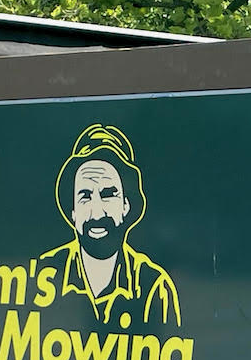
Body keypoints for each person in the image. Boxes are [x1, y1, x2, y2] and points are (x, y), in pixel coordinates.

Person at [37, 124, 181, 327]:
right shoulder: (46, 272)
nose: (97, 213)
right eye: (85, 196)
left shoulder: (153, 285)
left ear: (126, 206)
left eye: (107, 195)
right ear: (73, 211)